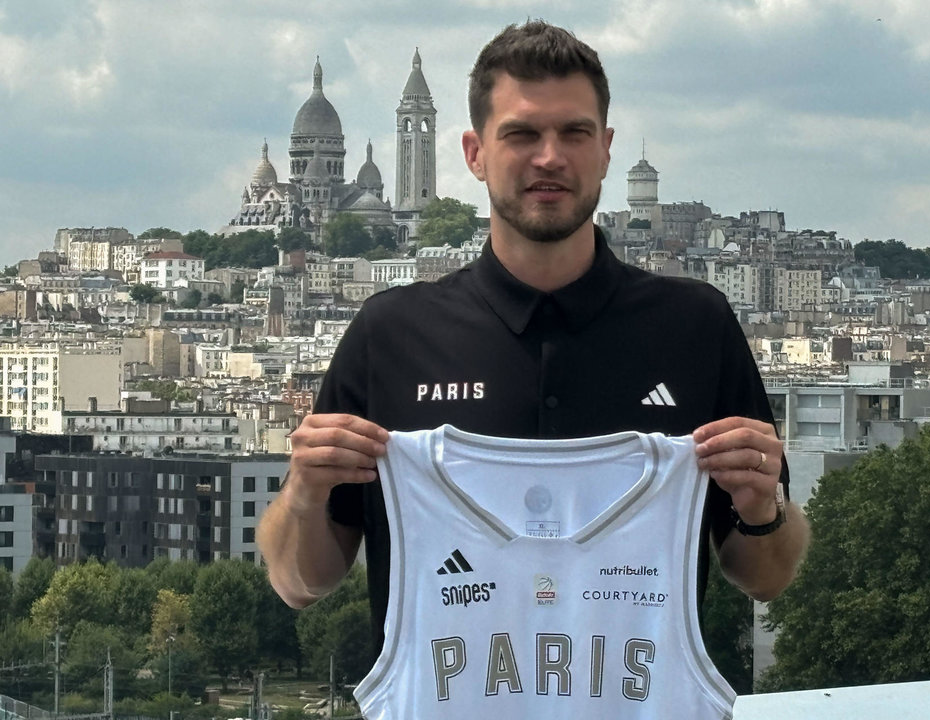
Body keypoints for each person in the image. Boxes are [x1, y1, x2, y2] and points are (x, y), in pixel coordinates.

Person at [257, 20, 809, 652]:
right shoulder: (388, 335)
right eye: (521, 133)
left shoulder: (698, 327)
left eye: (573, 133)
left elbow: (767, 576)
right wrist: (303, 491)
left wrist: (764, 508)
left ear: (605, 150)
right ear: (474, 153)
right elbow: (299, 582)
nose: (550, 157)